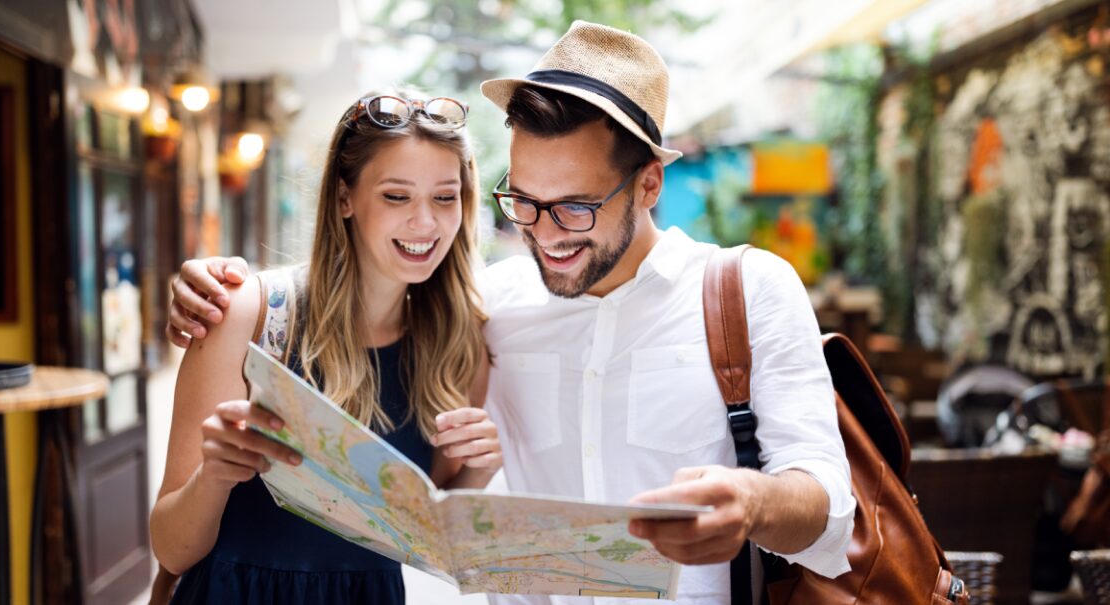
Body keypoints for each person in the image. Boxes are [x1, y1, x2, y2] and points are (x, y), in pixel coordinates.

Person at [166, 21, 855, 604]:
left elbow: (827, 499)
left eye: (576, 207)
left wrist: (753, 503)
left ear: (649, 183)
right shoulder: (487, 307)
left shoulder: (746, 289)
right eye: (522, 201)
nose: (546, 234)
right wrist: (211, 284)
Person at [150, 88, 502, 604]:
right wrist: (214, 476)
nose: (425, 223)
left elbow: (426, 534)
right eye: (396, 196)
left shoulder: (461, 340)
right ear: (344, 198)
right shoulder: (248, 314)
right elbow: (171, 550)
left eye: (445, 197)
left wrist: (480, 467)